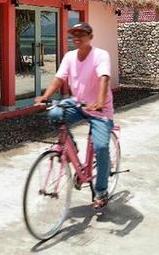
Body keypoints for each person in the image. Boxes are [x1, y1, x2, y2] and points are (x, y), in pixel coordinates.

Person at [34, 22, 114, 209]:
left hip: (99, 109)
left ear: (90, 37)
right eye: (74, 34)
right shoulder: (69, 56)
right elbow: (59, 79)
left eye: (81, 34)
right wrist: (45, 96)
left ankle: (101, 191)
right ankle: (72, 150)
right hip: (78, 104)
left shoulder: (101, 55)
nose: (77, 37)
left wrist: (100, 102)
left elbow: (104, 78)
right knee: (55, 112)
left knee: (101, 147)